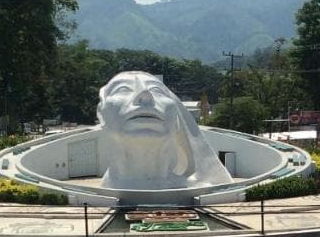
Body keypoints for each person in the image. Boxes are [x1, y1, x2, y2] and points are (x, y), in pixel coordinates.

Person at [96, 71, 231, 191]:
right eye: (123, 89)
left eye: (157, 91)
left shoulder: (198, 187)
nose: (145, 95)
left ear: (176, 120)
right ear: (101, 115)